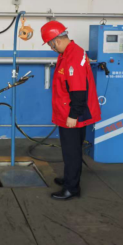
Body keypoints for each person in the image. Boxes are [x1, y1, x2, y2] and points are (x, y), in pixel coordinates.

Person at [41, 21, 101, 201]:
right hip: (67, 111)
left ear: (56, 41)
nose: (51, 48)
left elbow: (79, 90)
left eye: (50, 45)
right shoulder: (69, 53)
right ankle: (69, 178)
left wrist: (73, 115)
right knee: (71, 149)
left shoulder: (73, 56)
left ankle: (71, 188)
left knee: (72, 151)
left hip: (72, 114)